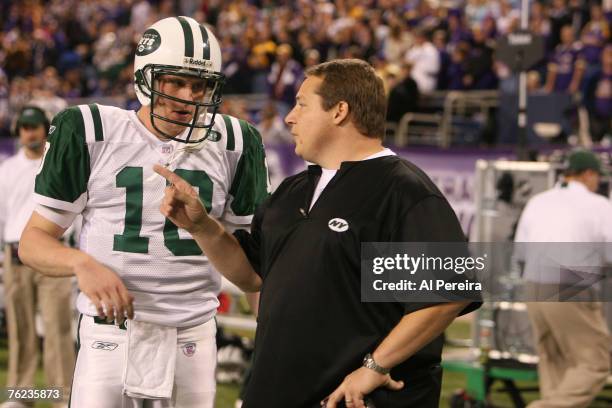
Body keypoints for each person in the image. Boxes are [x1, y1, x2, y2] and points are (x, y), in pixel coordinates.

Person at [154, 59, 480, 408]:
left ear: (339, 111)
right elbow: (251, 275)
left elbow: (445, 293)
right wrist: (201, 226)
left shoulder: (402, 192)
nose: (289, 117)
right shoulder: (292, 191)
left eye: (301, 104)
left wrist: (374, 366)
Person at [18, 16, 268, 408]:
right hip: (110, 333)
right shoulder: (91, 130)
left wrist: (271, 336)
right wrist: (82, 264)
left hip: (193, 336)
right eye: (175, 81)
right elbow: (32, 242)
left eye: (199, 84)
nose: (188, 96)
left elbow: (250, 271)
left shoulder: (235, 142)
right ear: (145, 78)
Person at [514, 150, 612, 408]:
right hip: (571, 284)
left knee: (554, 361)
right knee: (596, 362)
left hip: (533, 285)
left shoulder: (538, 201)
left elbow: (520, 250)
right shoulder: (599, 205)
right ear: (588, 174)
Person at [0, 106, 75, 408]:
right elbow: (2, 216)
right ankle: (21, 394)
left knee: (58, 327)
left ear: (46, 129)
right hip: (15, 253)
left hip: (54, 250)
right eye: (25, 126)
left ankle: (63, 396)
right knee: (20, 328)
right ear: (18, 131)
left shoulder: (57, 163)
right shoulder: (7, 169)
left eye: (35, 126)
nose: (30, 132)